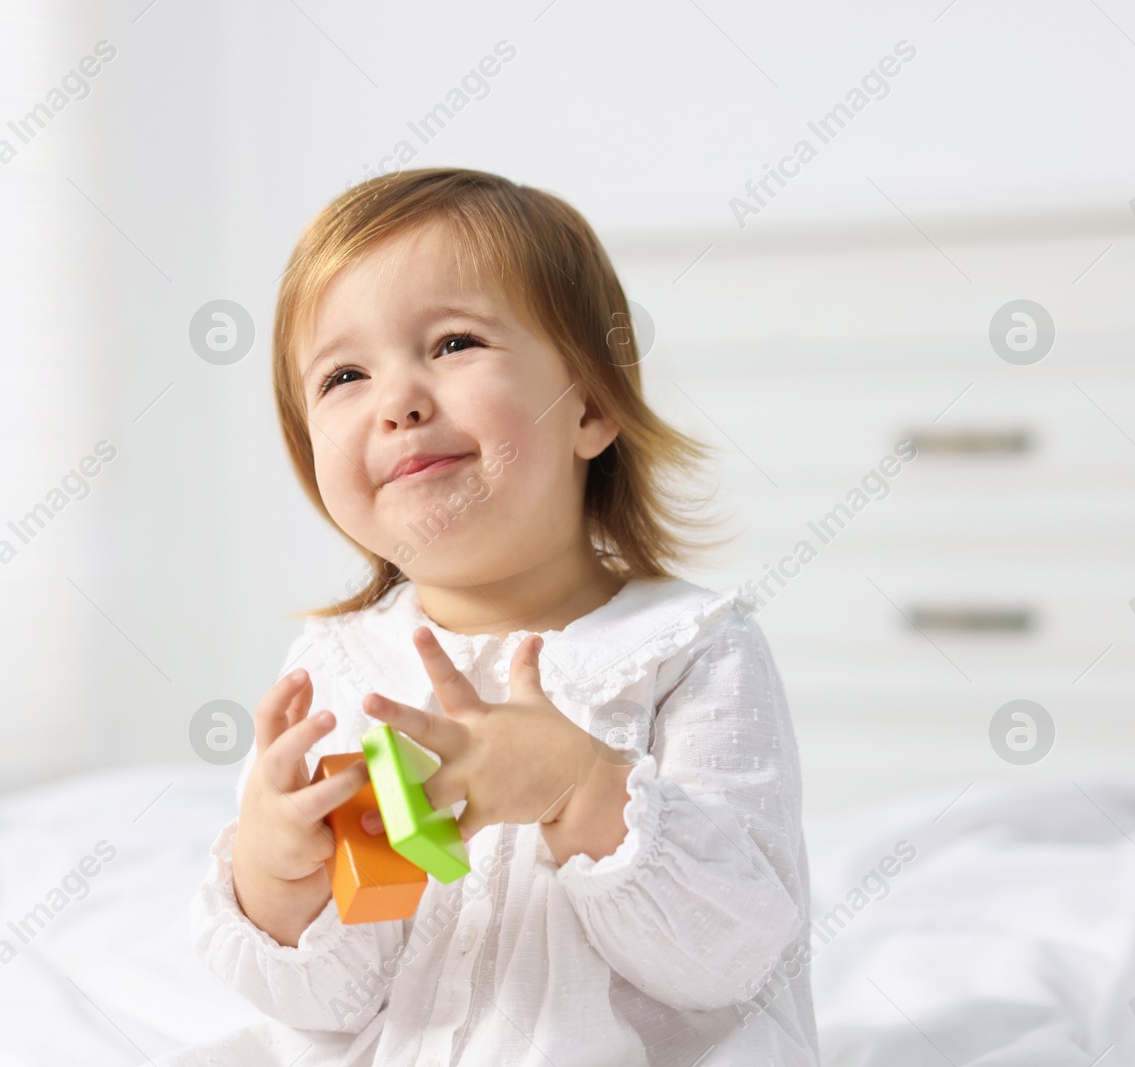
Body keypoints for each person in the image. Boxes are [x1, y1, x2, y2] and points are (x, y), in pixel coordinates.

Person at [168, 168, 817, 1066]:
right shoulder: (341, 672)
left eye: (453, 342)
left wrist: (579, 787)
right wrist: (279, 881)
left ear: (589, 404)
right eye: (345, 374)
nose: (398, 400)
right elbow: (327, 1000)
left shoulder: (691, 650)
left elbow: (732, 954)